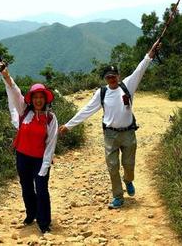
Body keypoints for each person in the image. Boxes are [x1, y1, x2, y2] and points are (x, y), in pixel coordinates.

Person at [59, 39, 160, 209]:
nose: (112, 79)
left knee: (128, 165)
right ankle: (118, 196)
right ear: (105, 79)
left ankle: (128, 180)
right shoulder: (102, 93)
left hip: (128, 133)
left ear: (118, 77)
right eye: (108, 77)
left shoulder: (128, 85)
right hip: (110, 135)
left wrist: (151, 52)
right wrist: (69, 125)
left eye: (114, 76)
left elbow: (141, 68)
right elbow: (87, 110)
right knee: (112, 166)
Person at [0, 61, 58, 233]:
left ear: (45, 99)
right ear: (31, 99)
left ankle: (44, 223)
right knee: (26, 188)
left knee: (41, 189)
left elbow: (51, 144)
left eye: (41, 97)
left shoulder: (50, 118)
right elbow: (15, 91)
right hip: (22, 156)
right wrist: (6, 75)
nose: (38, 100)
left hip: (40, 159)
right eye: (35, 97)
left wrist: (45, 166)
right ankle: (31, 214)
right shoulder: (24, 111)